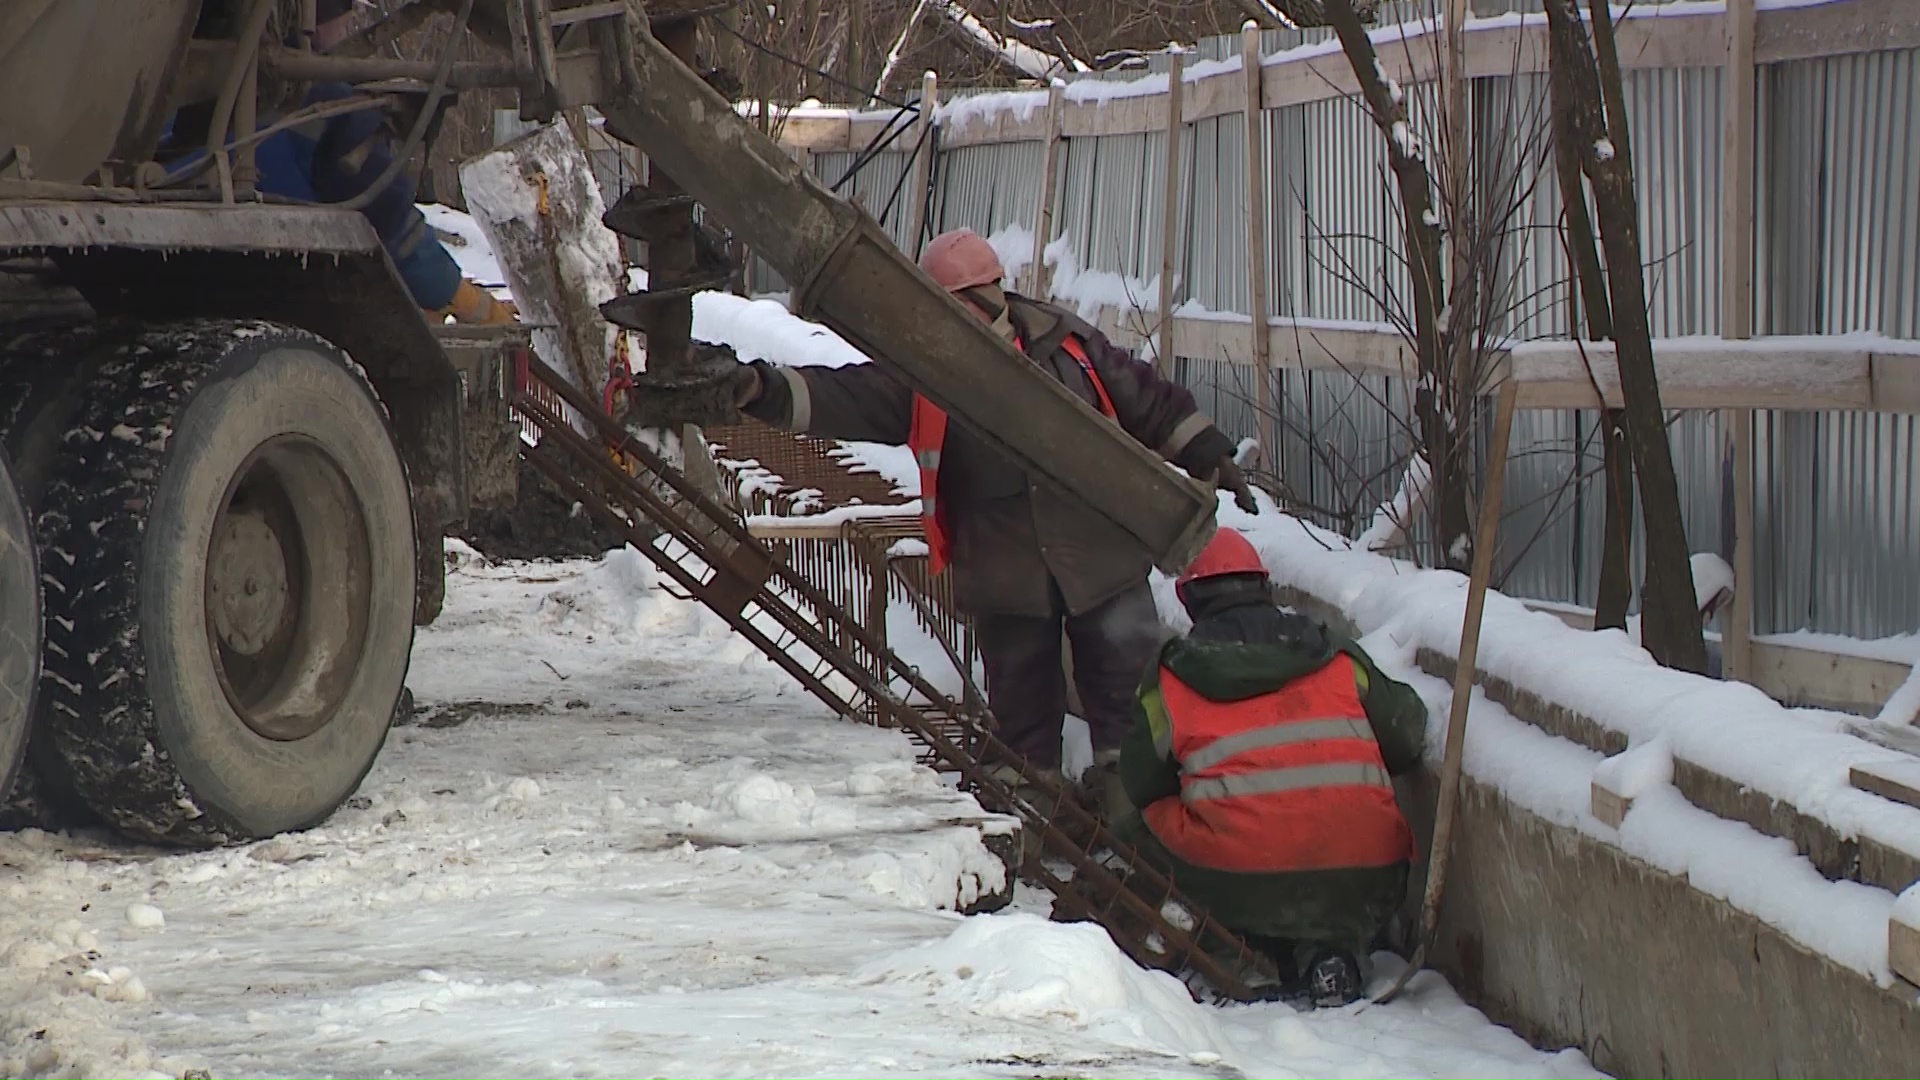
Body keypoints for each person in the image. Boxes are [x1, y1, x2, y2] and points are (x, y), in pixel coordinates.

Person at [727, 227, 1255, 799]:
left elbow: (1143, 395)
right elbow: (845, 398)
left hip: (1100, 561)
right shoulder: (925, 371)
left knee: (1125, 702)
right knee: (1024, 721)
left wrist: (1208, 449)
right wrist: (760, 388)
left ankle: (1129, 813)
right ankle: (1031, 806)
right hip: (1006, 574)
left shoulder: (1067, 346)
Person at [1112, 527, 1428, 1007]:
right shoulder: (1337, 655)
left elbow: (1140, 780)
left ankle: (1235, 944)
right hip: (1369, 876)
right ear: (1264, 586)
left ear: (1190, 600)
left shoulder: (1172, 677)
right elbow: (1405, 737)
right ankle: (1333, 953)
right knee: (1320, 883)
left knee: (1138, 816)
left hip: (1242, 881)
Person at [208, 0, 513, 324]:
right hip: (279, 296)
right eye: (344, 16)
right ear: (309, 18)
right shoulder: (319, 100)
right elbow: (393, 224)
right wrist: (462, 298)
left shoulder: (184, 84)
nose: (350, 26)